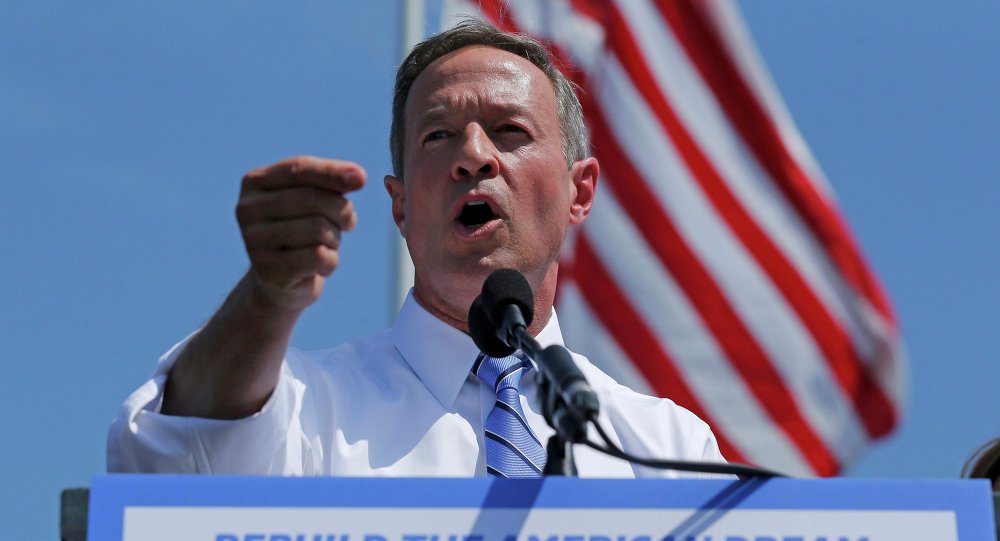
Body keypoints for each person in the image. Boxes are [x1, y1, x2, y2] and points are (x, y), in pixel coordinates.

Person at [108, 20, 727, 477]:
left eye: (510, 131)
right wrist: (266, 298)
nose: (473, 156)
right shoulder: (303, 407)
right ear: (400, 205)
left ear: (579, 190)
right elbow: (171, 458)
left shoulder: (666, 449)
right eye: (438, 135)